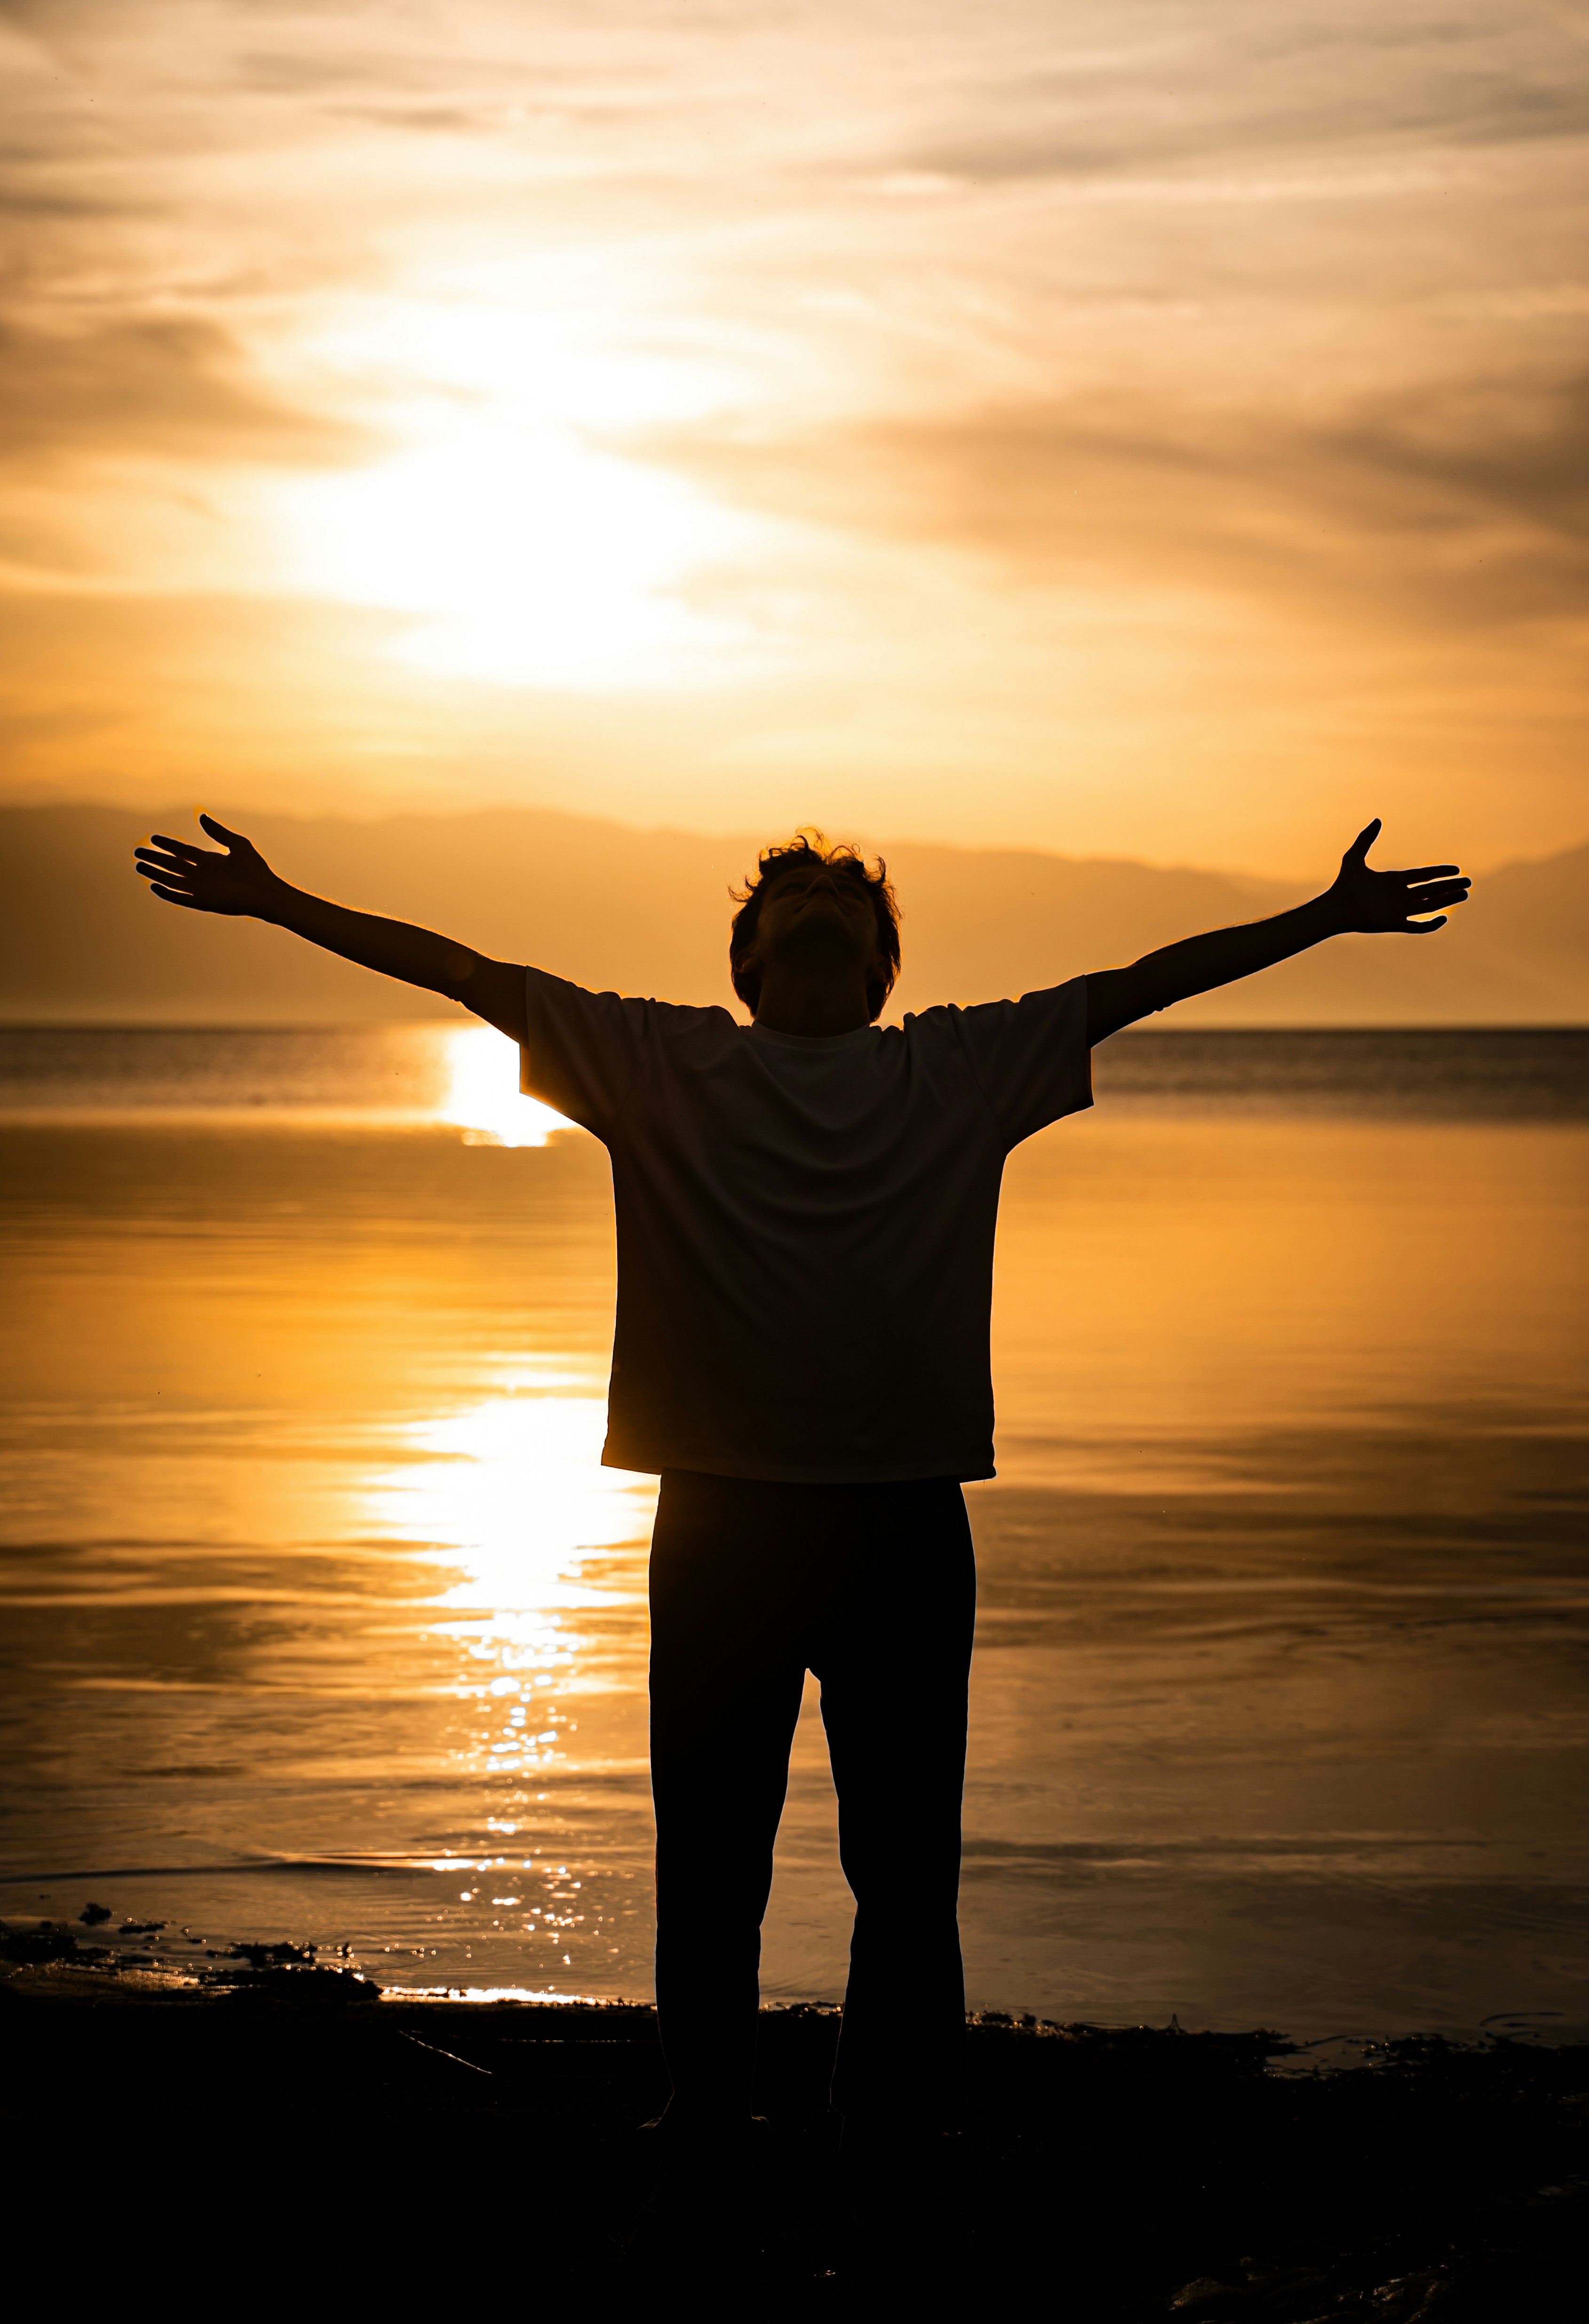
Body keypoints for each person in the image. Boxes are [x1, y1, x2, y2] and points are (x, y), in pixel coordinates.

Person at [132, 811, 1469, 2163]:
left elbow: (1145, 983)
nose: (820, 901)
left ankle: (885, 2124)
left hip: (900, 1516)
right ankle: (707, 2112)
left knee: (905, 1870)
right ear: (747, 958)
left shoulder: (956, 1063)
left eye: (846, 895)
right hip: (720, 1517)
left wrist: (1319, 914)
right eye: (794, 891)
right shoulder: (660, 1059)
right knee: (711, 1856)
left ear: (883, 964)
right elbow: (464, 973)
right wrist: (279, 900)